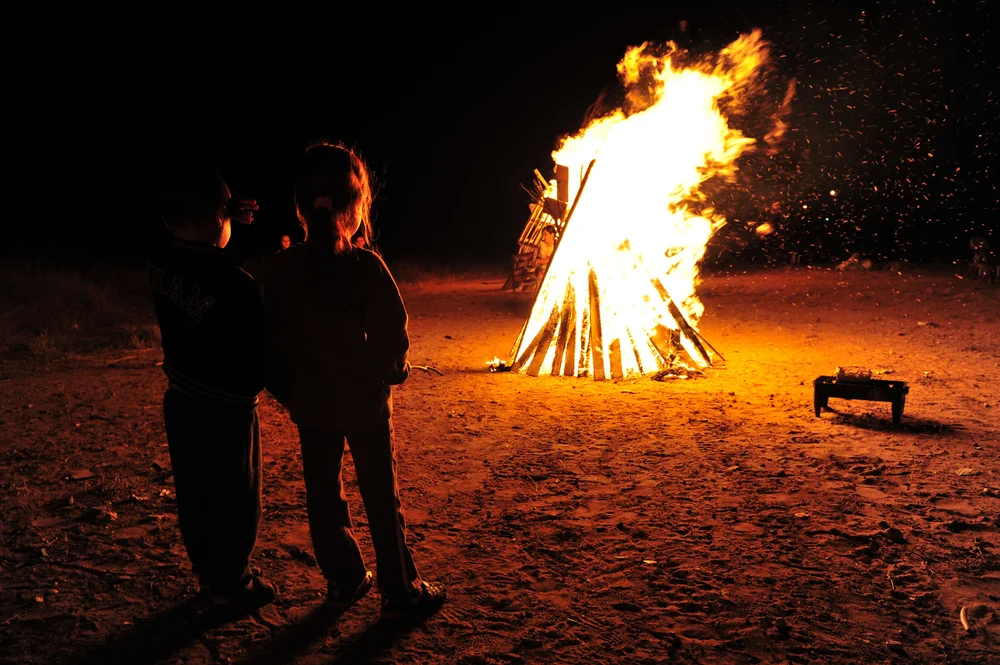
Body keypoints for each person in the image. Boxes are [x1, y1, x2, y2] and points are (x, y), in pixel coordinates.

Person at [259, 142, 445, 618]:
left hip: (312, 406)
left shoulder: (281, 268)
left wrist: (291, 389)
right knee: (382, 496)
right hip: (364, 405)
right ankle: (399, 590)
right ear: (357, 206)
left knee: (322, 494)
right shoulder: (366, 267)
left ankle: (344, 580)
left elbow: (269, 339)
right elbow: (391, 336)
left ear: (301, 208)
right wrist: (391, 373)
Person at [146, 162, 288, 610]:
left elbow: (202, 259)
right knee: (238, 497)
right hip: (228, 410)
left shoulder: (160, 261)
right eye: (226, 214)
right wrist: (293, 394)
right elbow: (261, 354)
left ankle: (210, 574)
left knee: (197, 493)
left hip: (182, 400)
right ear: (216, 219)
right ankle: (235, 583)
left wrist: (225, 216)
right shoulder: (239, 285)